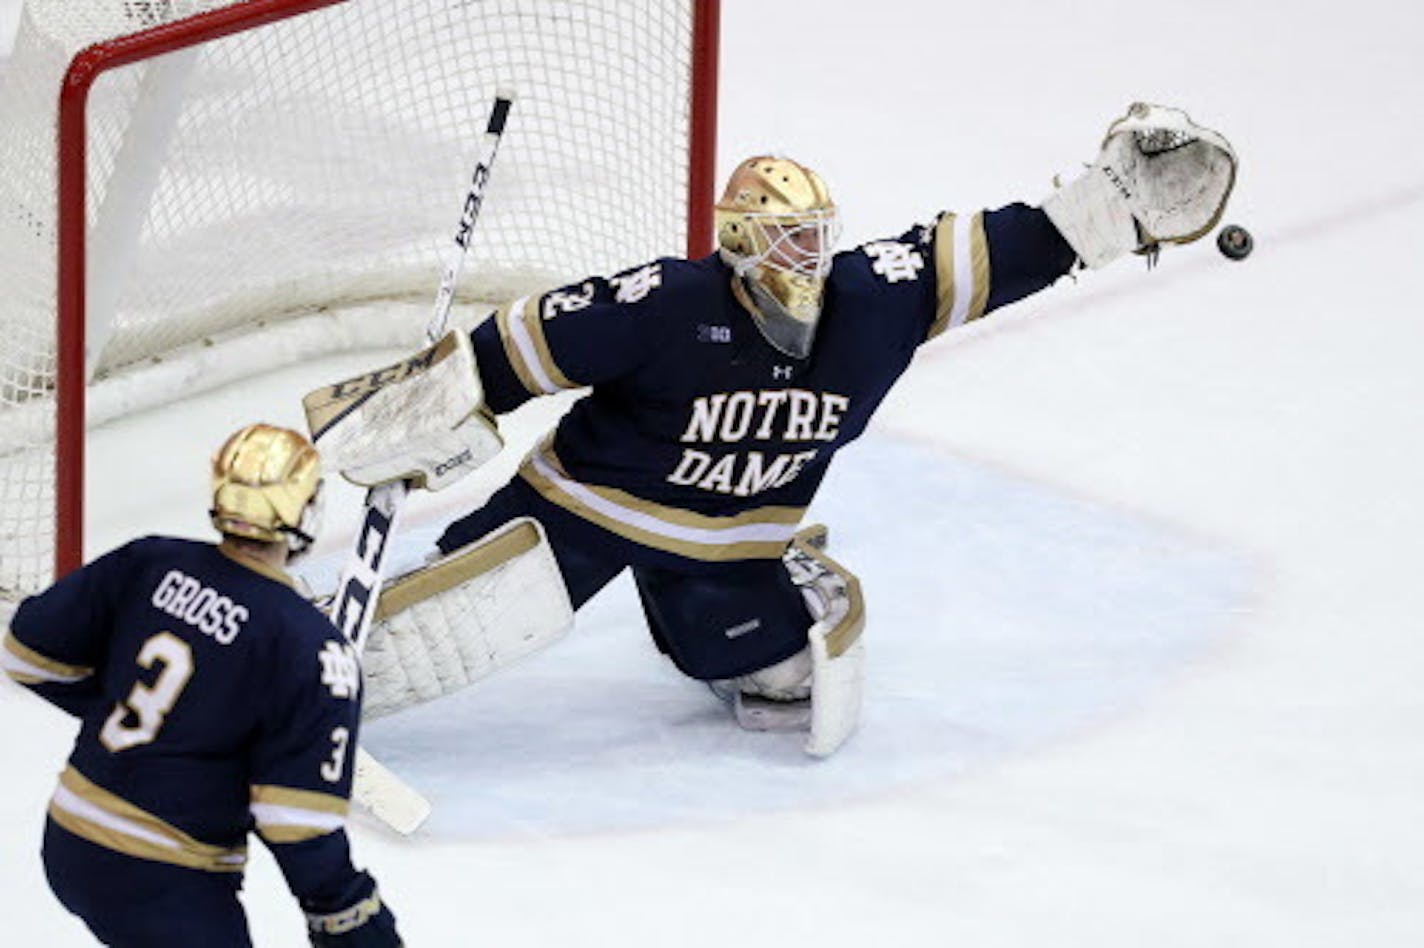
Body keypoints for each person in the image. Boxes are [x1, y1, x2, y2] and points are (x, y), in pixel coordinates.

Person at [320, 102, 1237, 755]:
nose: (813, 255)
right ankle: (276, 663)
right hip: (591, 506)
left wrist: (1107, 204)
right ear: (743, 242)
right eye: (790, 239)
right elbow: (521, 345)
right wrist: (433, 409)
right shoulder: (668, 303)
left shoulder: (871, 303)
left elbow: (1009, 247)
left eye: (819, 235)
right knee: (424, 636)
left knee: (782, 678)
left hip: (731, 544)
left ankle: (771, 581)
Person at [1, 424, 402, 947]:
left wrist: (151, 721)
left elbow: (28, 652)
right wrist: (354, 922)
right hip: (165, 875)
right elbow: (295, 821)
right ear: (305, 510)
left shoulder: (149, 560)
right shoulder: (312, 648)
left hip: (69, 839)